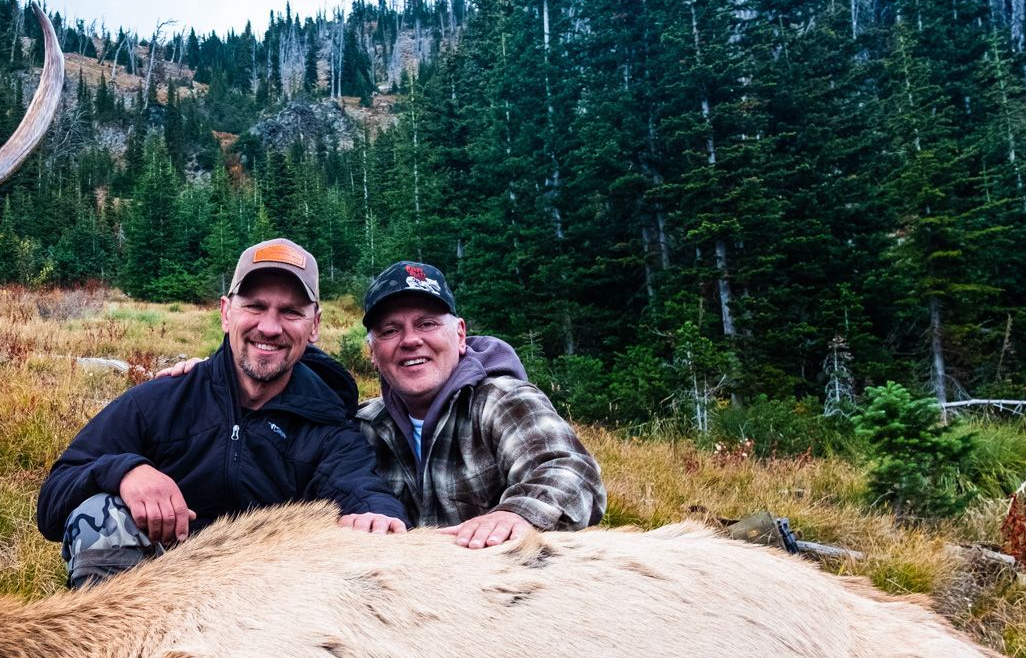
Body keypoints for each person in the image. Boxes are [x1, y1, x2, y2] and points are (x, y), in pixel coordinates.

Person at [36, 239, 408, 587]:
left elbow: (363, 490)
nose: (270, 326)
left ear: (314, 326)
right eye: (255, 306)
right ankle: (110, 650)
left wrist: (377, 515)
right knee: (103, 511)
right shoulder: (160, 401)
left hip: (263, 596)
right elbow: (53, 500)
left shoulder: (326, 424)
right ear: (226, 313)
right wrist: (124, 472)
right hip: (155, 592)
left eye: (291, 312)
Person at [356, 261, 605, 547]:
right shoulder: (363, 425)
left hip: (500, 584)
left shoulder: (504, 401)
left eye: (427, 324)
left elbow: (572, 472)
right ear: (372, 352)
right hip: (406, 585)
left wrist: (517, 514)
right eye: (389, 330)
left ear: (460, 334)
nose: (411, 340)